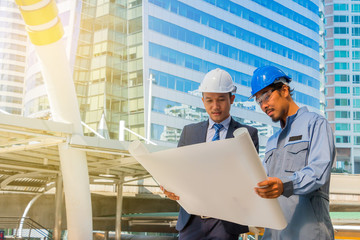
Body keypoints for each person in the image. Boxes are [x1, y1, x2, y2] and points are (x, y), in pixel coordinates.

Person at [162, 68, 259, 240]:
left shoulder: (247, 134)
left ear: (232, 99)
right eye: (209, 100)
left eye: (221, 100)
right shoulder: (188, 132)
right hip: (191, 221)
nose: (215, 106)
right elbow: (177, 172)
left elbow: (248, 179)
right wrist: (169, 188)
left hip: (225, 223)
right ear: (203, 101)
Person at [251, 65, 335, 240]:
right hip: (274, 235)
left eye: (266, 96)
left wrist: (285, 186)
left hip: (309, 235)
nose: (264, 105)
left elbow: (318, 172)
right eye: (259, 101)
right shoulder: (272, 141)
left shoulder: (316, 124)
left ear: (284, 89)